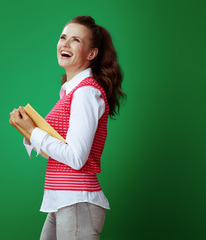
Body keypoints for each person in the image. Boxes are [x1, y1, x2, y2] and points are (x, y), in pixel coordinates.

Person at [9, 16, 126, 240]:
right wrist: (27, 130)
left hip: (77, 202)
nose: (65, 44)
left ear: (91, 54)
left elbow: (76, 158)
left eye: (75, 40)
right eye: (63, 37)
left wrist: (34, 132)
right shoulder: (70, 91)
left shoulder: (85, 93)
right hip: (63, 200)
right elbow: (56, 153)